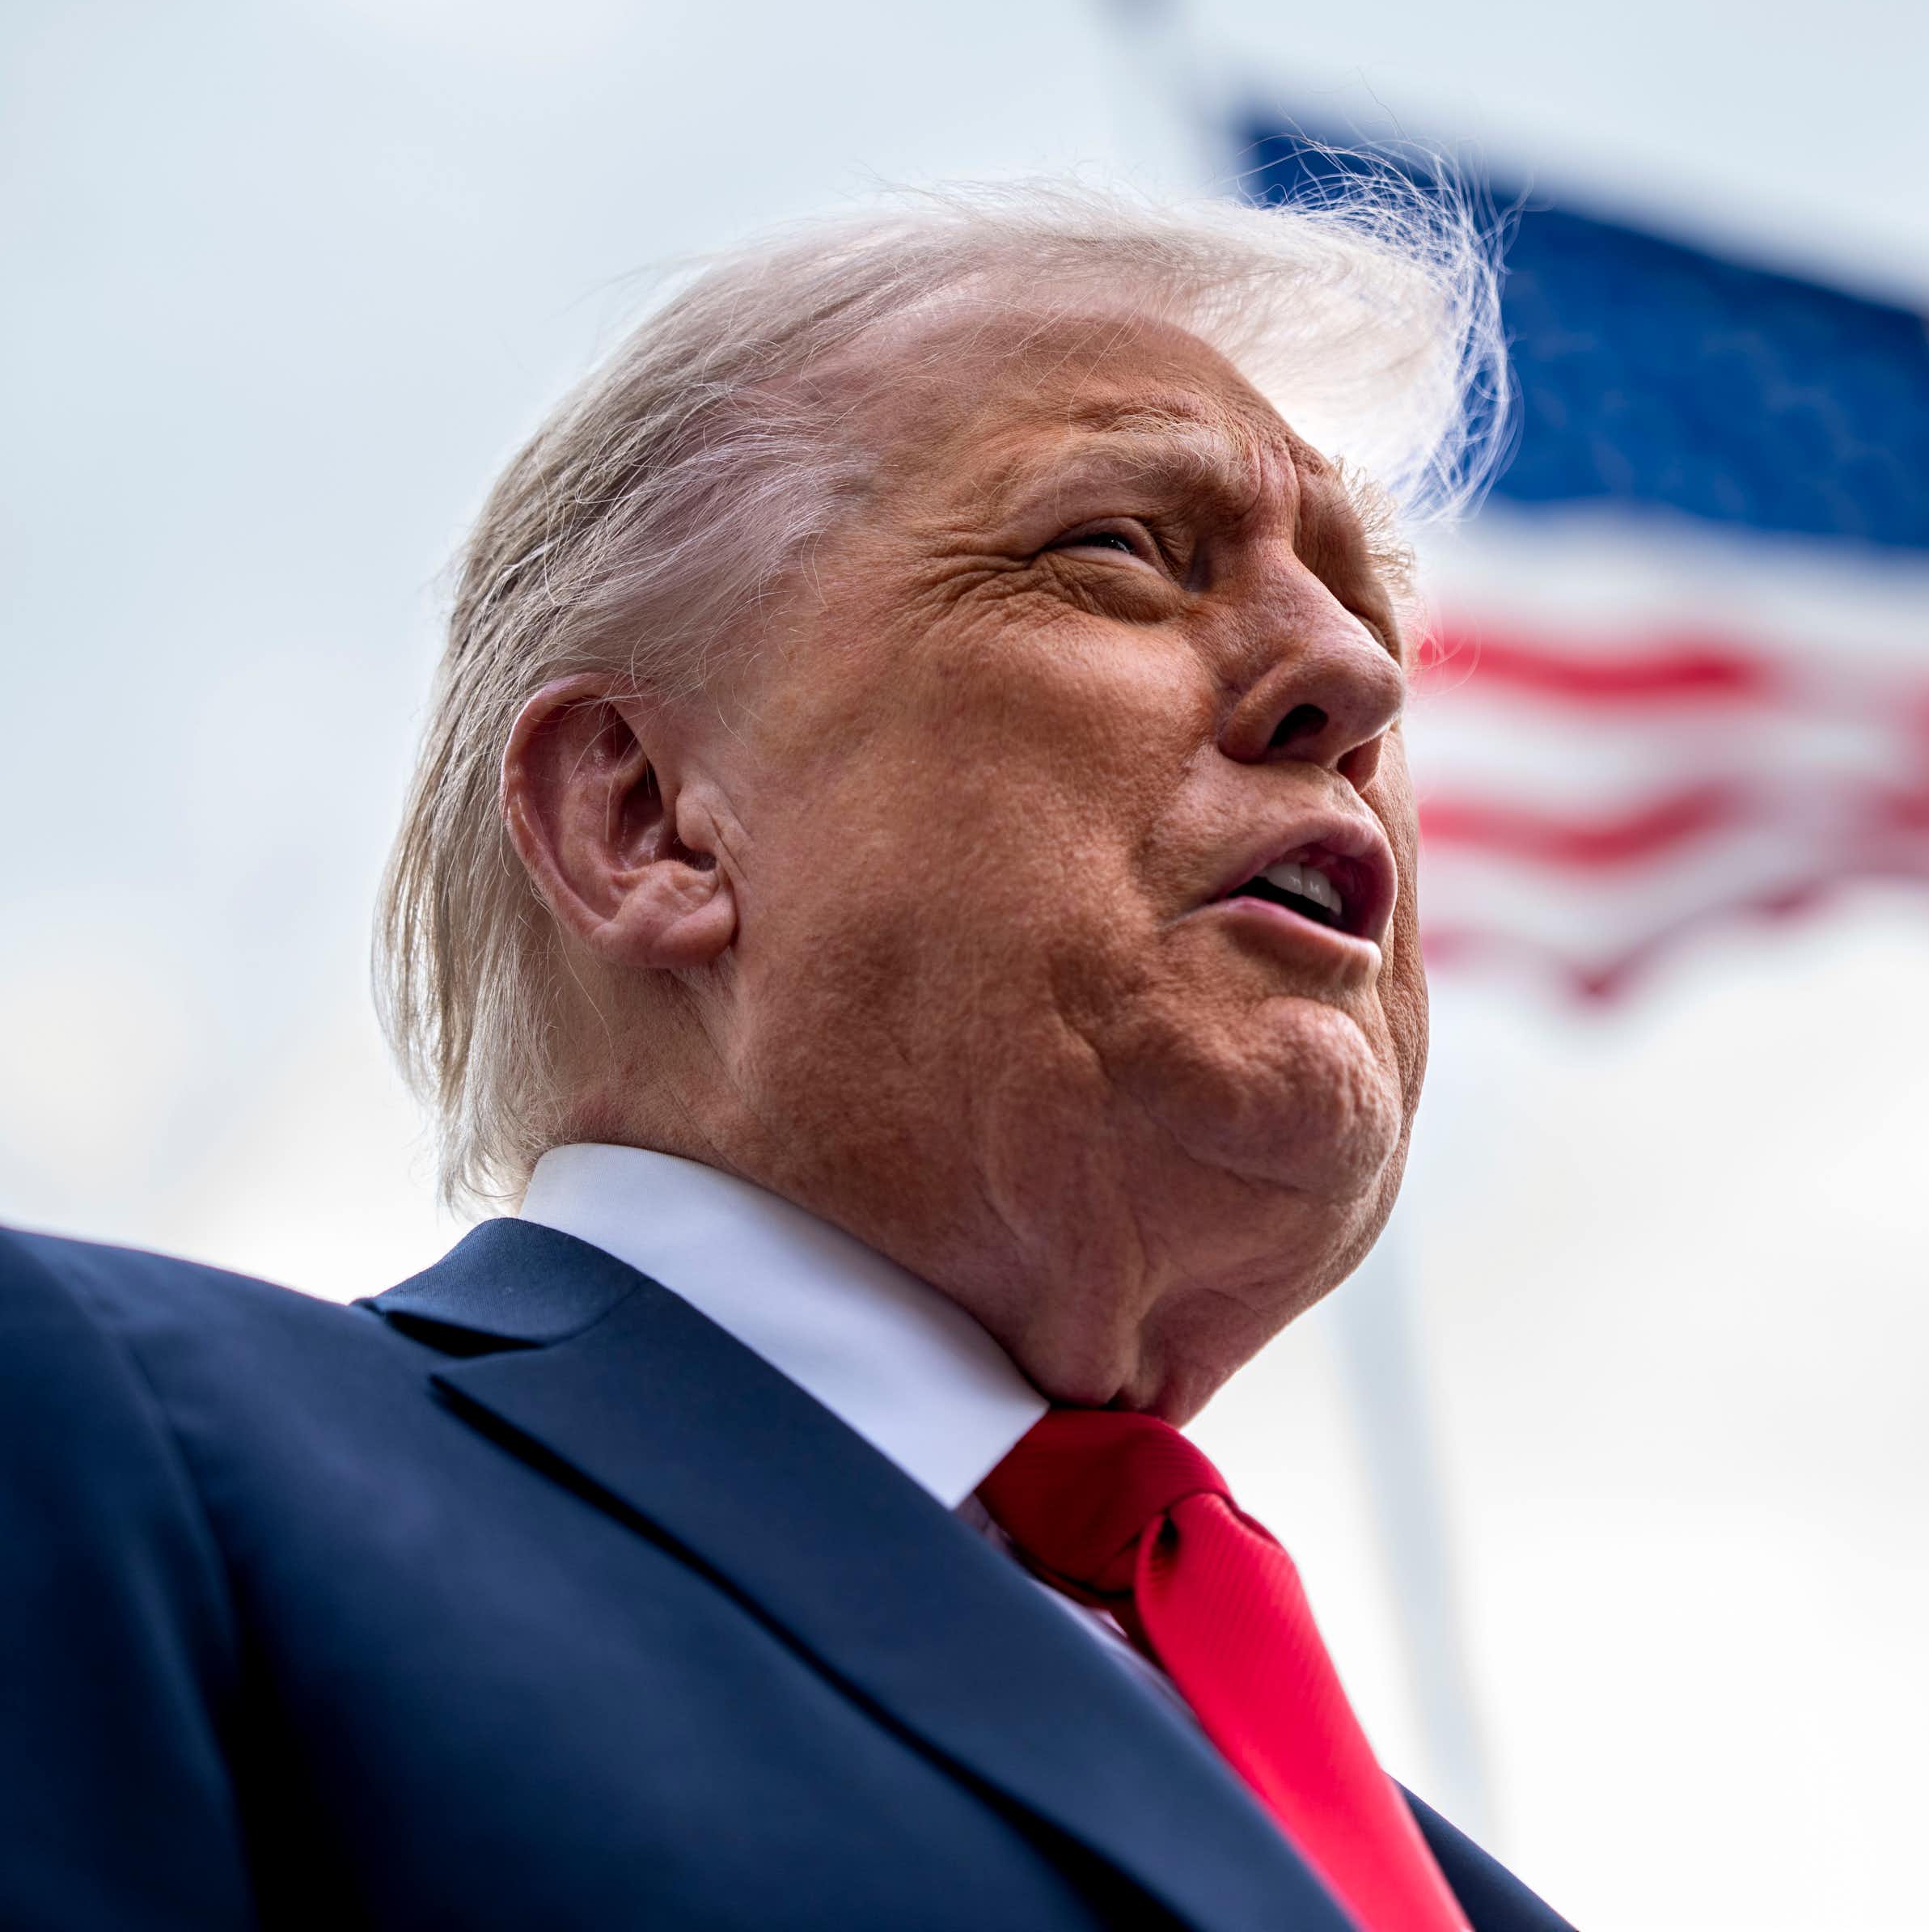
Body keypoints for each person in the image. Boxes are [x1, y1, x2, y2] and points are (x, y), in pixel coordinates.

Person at [0, 180, 1569, 1930]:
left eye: (1364, 608)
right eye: (1122, 545)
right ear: (648, 818)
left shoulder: (1458, 1893)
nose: (1351, 677)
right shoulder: (104, 1439)